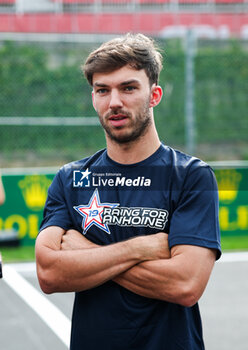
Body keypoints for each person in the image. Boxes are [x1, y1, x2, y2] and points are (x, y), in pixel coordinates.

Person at [35, 33, 221, 350]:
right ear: (93, 97)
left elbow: (185, 284)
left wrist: (85, 252)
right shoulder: (71, 178)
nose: (115, 102)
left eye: (128, 88)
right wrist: (141, 249)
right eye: (102, 90)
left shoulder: (191, 176)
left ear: (155, 95)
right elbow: (49, 273)